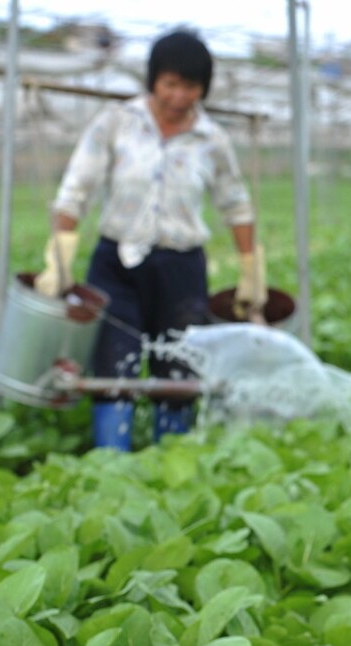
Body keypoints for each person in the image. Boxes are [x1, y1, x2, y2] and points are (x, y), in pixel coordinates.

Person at [35, 29, 266, 451]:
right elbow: (76, 190)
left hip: (181, 267)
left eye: (191, 86)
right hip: (116, 264)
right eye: (171, 84)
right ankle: (112, 461)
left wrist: (251, 270)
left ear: (203, 89)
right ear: (154, 80)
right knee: (112, 365)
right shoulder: (117, 123)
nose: (179, 96)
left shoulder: (212, 139)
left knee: (178, 368)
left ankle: (168, 461)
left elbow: (236, 205)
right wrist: (60, 258)